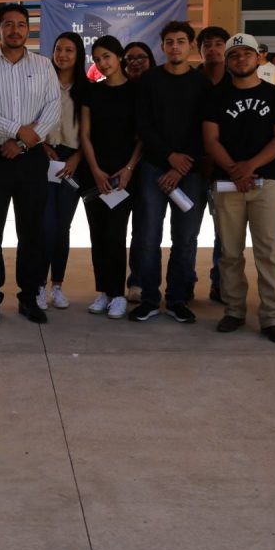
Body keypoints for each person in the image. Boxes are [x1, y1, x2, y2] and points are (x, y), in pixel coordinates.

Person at [0, 3, 61, 325]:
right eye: (8, 24)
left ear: (28, 30)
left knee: (32, 231)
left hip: (31, 159)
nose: (15, 30)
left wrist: (22, 142)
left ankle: (28, 297)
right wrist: (15, 131)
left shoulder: (44, 66)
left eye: (21, 24)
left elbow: (53, 109)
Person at [201, 32, 275, 345]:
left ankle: (273, 317)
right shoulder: (215, 96)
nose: (241, 59)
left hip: (265, 182)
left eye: (246, 54)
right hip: (227, 183)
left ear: (258, 57)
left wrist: (250, 166)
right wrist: (233, 170)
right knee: (229, 252)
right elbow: (210, 139)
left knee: (269, 253)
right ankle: (234, 310)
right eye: (234, 55)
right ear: (227, 61)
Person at [132, 20, 207, 323]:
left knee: (185, 238)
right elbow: (143, 125)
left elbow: (204, 129)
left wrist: (182, 165)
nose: (175, 47)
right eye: (170, 42)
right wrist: (168, 157)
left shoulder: (202, 83)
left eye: (181, 41)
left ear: (191, 45)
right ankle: (150, 299)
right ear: (162, 46)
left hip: (190, 172)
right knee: (148, 236)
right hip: (153, 168)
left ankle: (177, 299)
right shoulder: (149, 81)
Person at [77, 36, 142, 319]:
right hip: (95, 174)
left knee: (116, 234)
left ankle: (118, 294)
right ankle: (103, 290)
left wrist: (128, 169)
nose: (102, 63)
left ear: (119, 57)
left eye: (107, 57)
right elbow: (85, 135)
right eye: (97, 59)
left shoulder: (137, 91)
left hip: (123, 177)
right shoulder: (92, 92)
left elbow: (142, 137)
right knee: (98, 234)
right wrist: (94, 170)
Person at [38, 31, 88, 312]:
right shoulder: (43, 84)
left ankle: (57, 285)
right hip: (45, 155)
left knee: (62, 227)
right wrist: (43, 147)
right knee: (44, 225)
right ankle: (38, 285)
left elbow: (91, 133)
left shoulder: (87, 89)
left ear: (78, 54)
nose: (63, 55)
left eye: (69, 50)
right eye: (58, 49)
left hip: (72, 161)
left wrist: (78, 158)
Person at [121, 40, 157, 301]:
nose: (135, 63)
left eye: (140, 57)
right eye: (129, 59)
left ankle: (139, 281)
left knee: (144, 229)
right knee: (116, 228)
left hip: (150, 166)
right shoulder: (118, 89)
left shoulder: (159, 88)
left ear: (150, 60)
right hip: (119, 168)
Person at [197, 25, 229, 303]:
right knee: (187, 230)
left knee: (225, 231)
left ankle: (220, 282)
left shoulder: (237, 81)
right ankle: (185, 281)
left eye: (219, 44)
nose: (213, 49)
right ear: (200, 50)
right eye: (207, 44)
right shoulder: (191, 81)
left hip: (227, 168)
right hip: (193, 167)